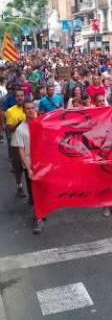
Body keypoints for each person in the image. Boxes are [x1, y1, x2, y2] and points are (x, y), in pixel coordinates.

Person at [16, 100, 44, 234]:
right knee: (34, 194)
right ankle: (38, 218)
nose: (31, 110)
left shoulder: (42, 124)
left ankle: (40, 214)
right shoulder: (20, 129)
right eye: (27, 108)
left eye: (32, 108)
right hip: (30, 164)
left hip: (43, 164)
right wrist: (28, 168)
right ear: (24, 111)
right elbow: (21, 151)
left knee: (43, 191)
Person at [5, 88, 26, 197]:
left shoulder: (28, 108)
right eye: (18, 96)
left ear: (24, 96)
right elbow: (10, 129)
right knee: (18, 168)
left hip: (28, 143)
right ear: (15, 98)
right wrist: (19, 123)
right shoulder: (10, 111)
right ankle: (19, 186)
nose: (20, 98)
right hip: (16, 143)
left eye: (22, 95)